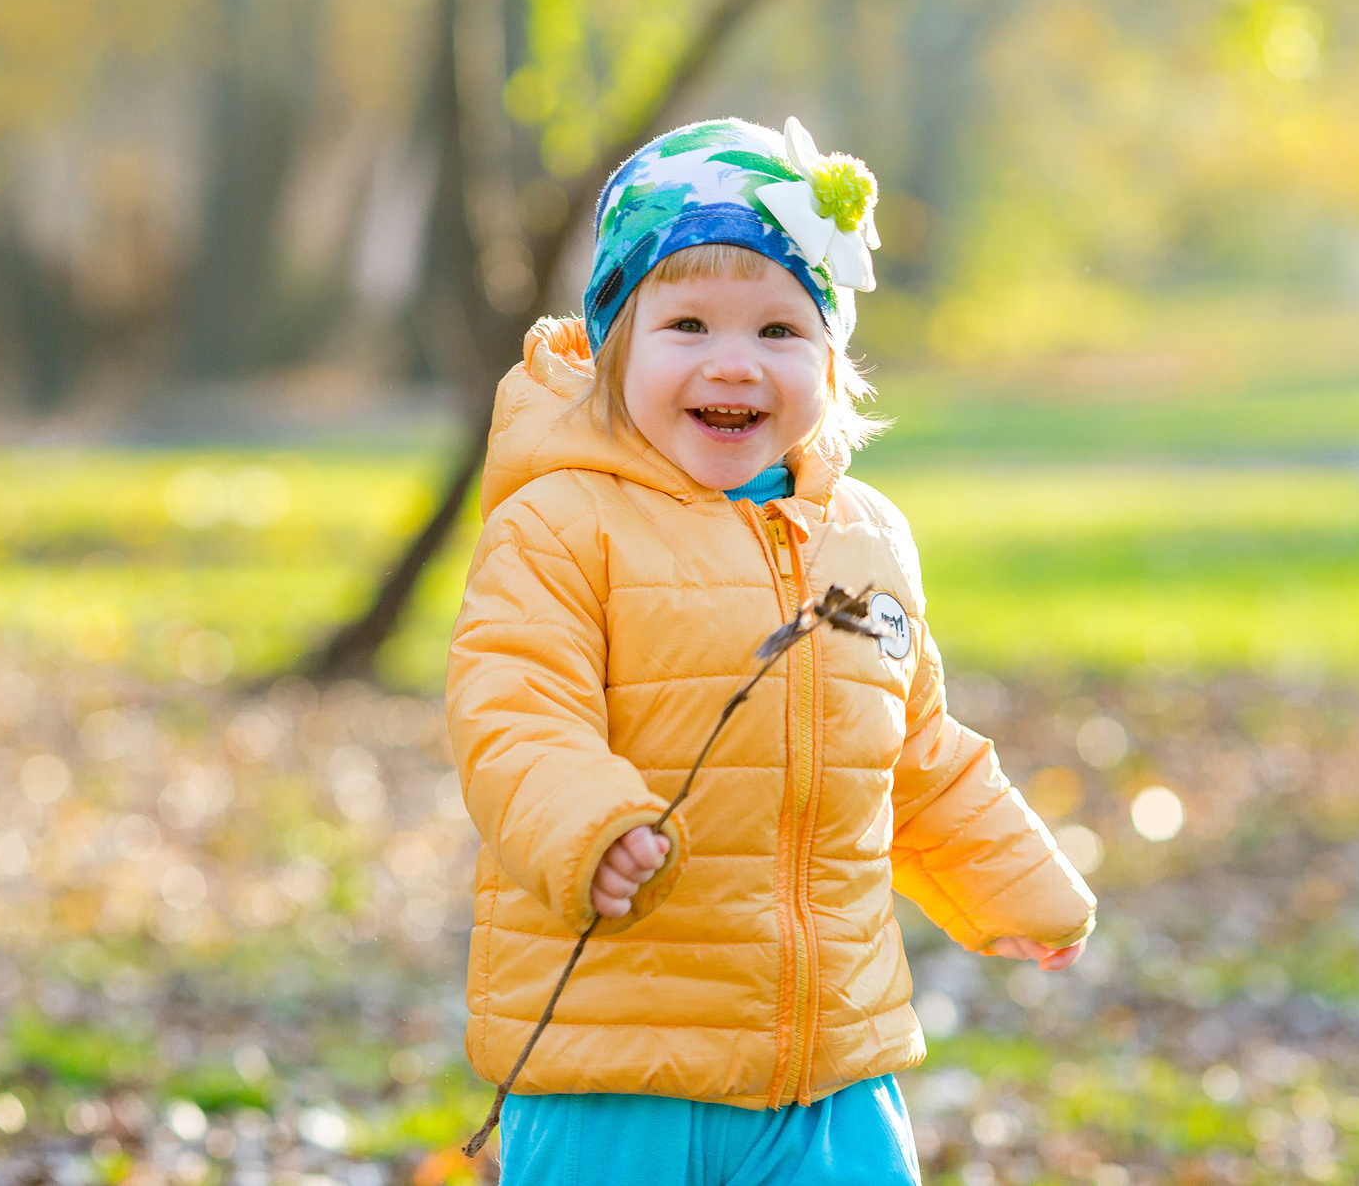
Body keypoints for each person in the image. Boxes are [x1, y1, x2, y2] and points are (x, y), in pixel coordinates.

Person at [446, 116, 1097, 1186]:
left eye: (780, 331)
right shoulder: (561, 523)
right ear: (613, 343)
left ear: (831, 358)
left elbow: (911, 748)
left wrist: (1012, 879)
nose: (734, 364)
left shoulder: (866, 537)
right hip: (616, 1068)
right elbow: (512, 710)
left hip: (827, 1065)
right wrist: (584, 824)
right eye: (688, 323)